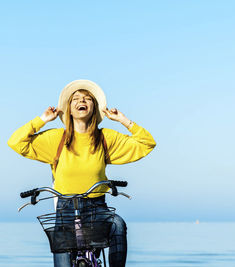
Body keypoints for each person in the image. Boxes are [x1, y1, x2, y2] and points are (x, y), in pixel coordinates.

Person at [8, 80, 156, 267]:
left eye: (87, 98)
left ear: (94, 108)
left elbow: (147, 143)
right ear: (69, 109)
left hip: (98, 209)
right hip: (65, 210)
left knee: (118, 225)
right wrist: (42, 120)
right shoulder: (56, 139)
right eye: (76, 98)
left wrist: (123, 120)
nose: (81, 100)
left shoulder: (105, 138)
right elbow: (16, 142)